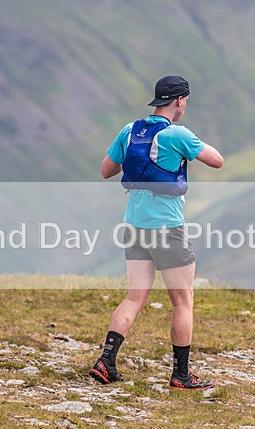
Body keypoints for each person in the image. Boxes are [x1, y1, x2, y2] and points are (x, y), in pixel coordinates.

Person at [90, 75, 224, 390]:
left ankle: (106, 362)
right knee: (182, 301)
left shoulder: (129, 130)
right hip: (167, 228)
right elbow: (216, 161)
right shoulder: (178, 134)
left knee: (134, 297)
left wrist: (136, 160)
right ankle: (180, 376)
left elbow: (106, 170)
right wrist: (183, 148)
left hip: (134, 225)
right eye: (185, 100)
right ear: (179, 100)